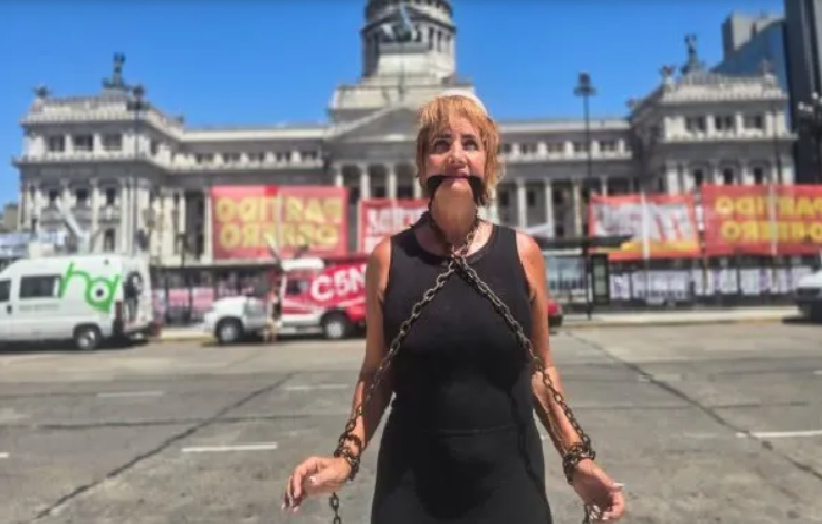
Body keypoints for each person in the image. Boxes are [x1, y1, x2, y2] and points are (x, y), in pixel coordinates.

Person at [282, 92, 625, 524]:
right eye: (441, 145)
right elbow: (377, 372)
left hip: (508, 481)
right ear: (423, 166)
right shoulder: (388, 259)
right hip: (410, 486)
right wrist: (345, 459)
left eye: (471, 144)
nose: (456, 156)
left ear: (488, 163)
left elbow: (540, 371)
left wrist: (576, 458)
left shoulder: (523, 253)